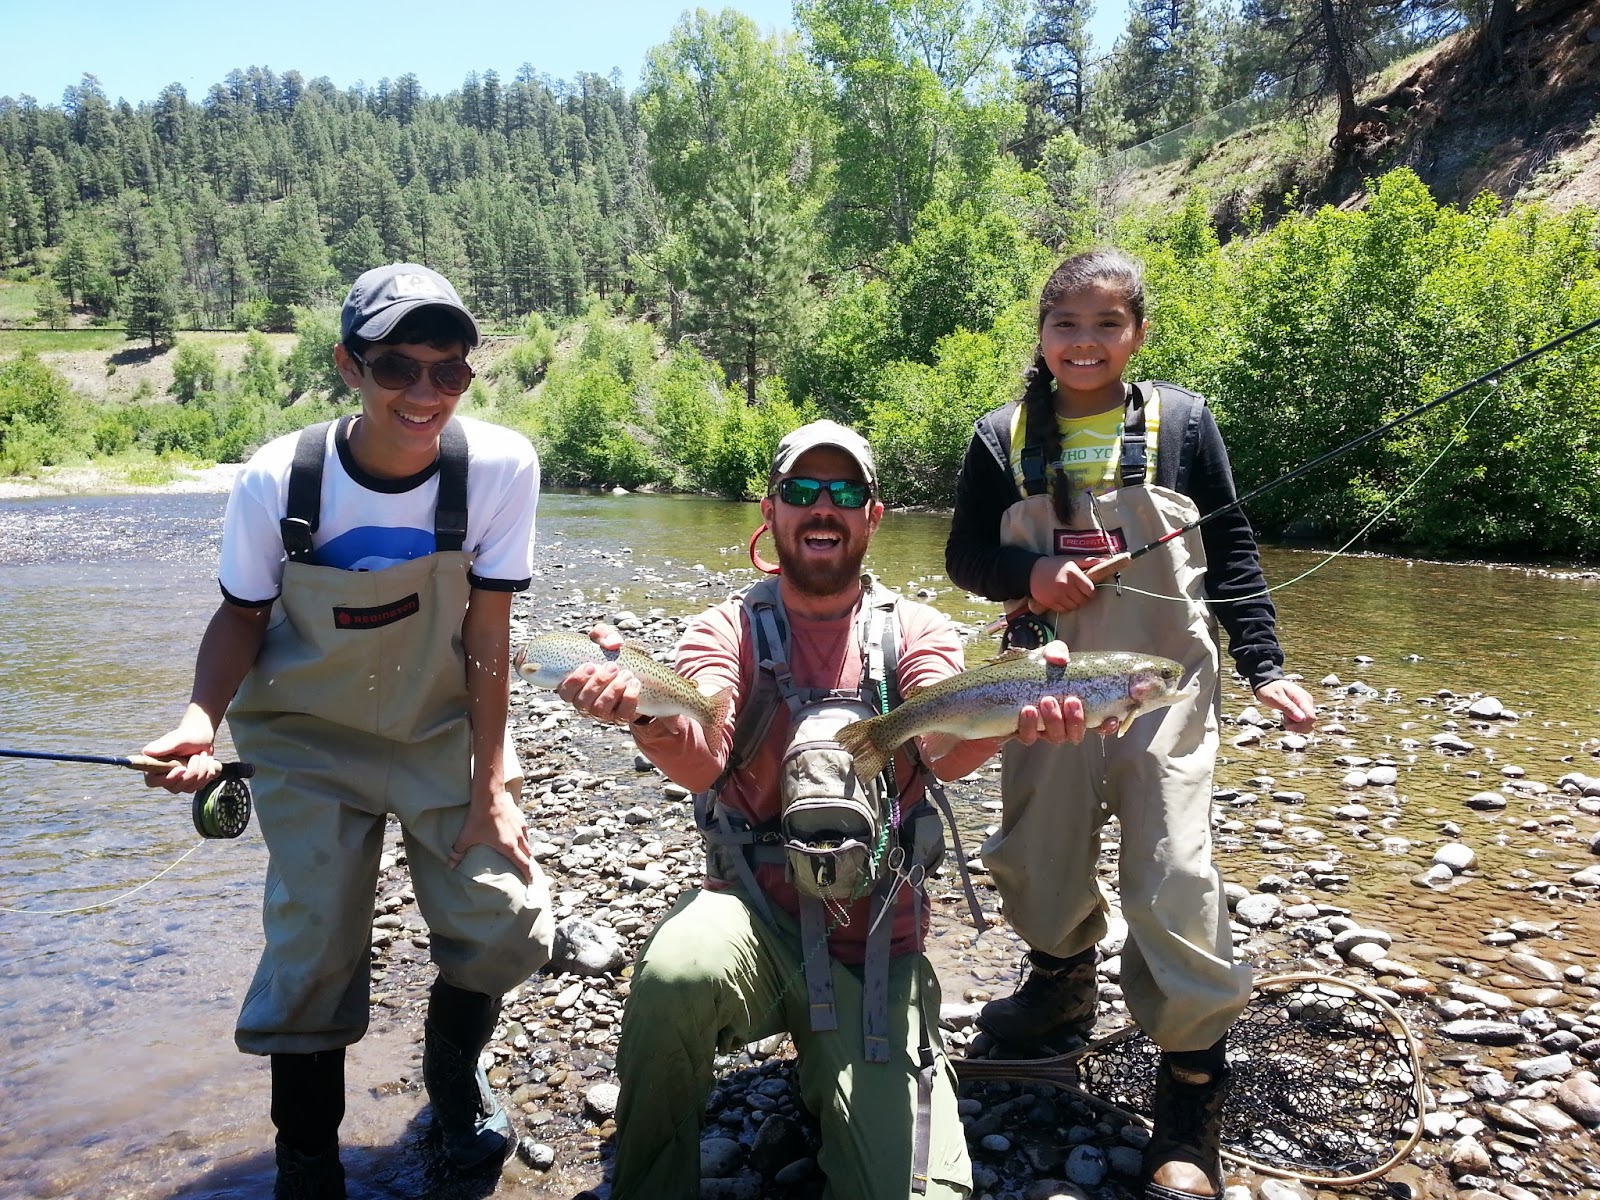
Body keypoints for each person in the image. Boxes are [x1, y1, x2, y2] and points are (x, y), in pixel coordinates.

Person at [552, 420, 1089, 1200]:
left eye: (845, 493)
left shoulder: (916, 630)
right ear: (770, 511)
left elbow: (937, 753)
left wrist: (1011, 719)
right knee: (671, 974)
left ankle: (836, 1074)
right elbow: (703, 757)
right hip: (755, 923)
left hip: (876, 946)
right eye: (803, 492)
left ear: (875, 515)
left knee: (914, 1194)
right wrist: (647, 715)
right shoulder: (725, 628)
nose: (823, 509)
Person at [143, 263, 555, 1199]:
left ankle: (454, 1076)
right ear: (348, 366)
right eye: (397, 367)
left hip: (440, 727)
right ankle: (308, 1162)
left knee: (505, 924)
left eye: (449, 371)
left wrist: (494, 782)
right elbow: (242, 618)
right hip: (304, 739)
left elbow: (488, 632)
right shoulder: (277, 479)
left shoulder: (499, 467)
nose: (424, 393)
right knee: (313, 949)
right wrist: (198, 720)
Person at [944, 249, 1319, 1200]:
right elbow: (963, 554)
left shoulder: (1185, 422)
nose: (1086, 342)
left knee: (1176, 870)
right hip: (1046, 681)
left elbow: (1230, 551)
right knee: (1038, 850)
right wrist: (1025, 577)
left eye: (1107, 324)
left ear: (1137, 333)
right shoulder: (1000, 436)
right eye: (1067, 324)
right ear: (1040, 333)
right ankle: (1061, 982)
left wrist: (1266, 666)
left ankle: (1191, 1091)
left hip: (1167, 683)